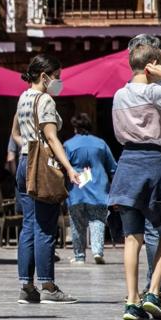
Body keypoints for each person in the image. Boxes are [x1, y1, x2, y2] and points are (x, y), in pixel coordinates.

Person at [13, 54, 81, 304]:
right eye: (57, 77)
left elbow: (15, 133)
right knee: (45, 226)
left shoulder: (23, 98)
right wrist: (69, 168)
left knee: (29, 225)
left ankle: (26, 286)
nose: (59, 82)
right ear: (44, 76)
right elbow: (52, 138)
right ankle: (49, 286)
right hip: (41, 167)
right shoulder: (46, 100)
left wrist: (29, 150)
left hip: (24, 162)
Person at [108, 44, 161, 320]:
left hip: (127, 163)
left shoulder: (119, 95)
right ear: (151, 65)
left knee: (132, 237)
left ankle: (131, 301)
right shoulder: (157, 91)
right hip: (155, 162)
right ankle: (154, 292)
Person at [63, 113, 116, 265]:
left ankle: (79, 256)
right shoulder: (101, 144)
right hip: (99, 189)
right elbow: (112, 167)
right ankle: (97, 251)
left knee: (77, 223)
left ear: (75, 128)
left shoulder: (69, 145)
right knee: (98, 220)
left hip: (76, 190)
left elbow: (62, 167)